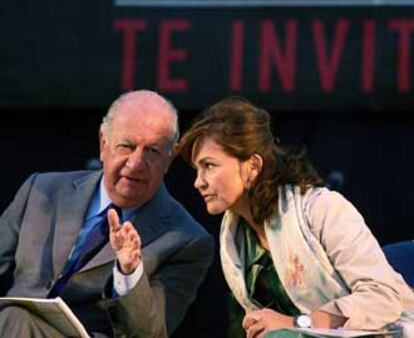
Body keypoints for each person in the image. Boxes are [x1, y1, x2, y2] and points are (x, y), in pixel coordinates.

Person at [178, 96, 414, 338]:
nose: (198, 182)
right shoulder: (234, 237)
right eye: (197, 170)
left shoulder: (321, 209)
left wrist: (297, 322)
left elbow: (383, 297)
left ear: (252, 167)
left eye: (209, 166)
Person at [0, 90, 214, 337]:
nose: (135, 163)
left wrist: (130, 271)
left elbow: (150, 333)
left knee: (16, 318)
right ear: (104, 144)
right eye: (127, 146)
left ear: (169, 158)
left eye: (152, 151)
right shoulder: (41, 190)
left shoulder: (187, 240)